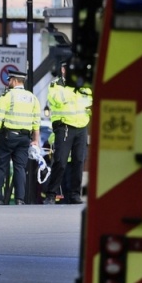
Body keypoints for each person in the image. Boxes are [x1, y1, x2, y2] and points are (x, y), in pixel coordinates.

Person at [0, 69, 41, 205]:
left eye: (10, 80)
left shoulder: (8, 96)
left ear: (15, 80)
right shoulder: (32, 98)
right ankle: (20, 199)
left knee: (0, 167)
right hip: (24, 139)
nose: (9, 82)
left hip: (8, 137)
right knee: (20, 168)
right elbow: (36, 122)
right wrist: (35, 140)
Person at [43, 63, 90, 205]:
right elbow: (58, 99)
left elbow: (89, 100)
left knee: (79, 161)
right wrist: (74, 93)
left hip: (81, 126)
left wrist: (71, 95)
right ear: (63, 70)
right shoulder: (55, 85)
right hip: (65, 126)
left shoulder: (82, 84)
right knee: (60, 161)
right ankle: (51, 195)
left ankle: (75, 195)